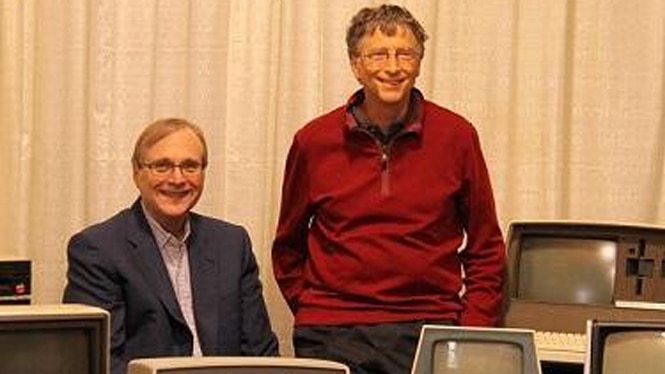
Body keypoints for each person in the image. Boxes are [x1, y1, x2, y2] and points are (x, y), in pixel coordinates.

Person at [272, 4, 506, 374]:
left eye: (405, 54)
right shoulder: (313, 141)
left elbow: (486, 247)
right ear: (355, 64)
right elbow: (288, 246)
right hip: (332, 332)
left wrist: (472, 331)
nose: (393, 66)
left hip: (431, 326)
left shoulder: (457, 136)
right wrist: (315, 309)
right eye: (378, 54)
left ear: (419, 62)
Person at [63, 118, 279, 374]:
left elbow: (261, 352)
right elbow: (102, 362)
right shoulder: (98, 250)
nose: (177, 179)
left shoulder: (231, 244)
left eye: (190, 166)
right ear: (136, 172)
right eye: (162, 166)